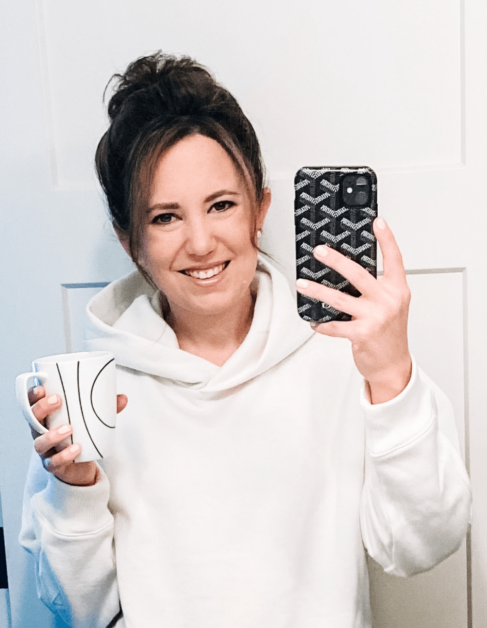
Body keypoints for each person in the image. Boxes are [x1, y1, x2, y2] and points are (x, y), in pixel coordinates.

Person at [19, 52, 471, 628]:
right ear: (129, 239)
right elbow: (78, 612)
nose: (202, 241)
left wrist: (392, 377)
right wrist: (76, 489)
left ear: (260, 209)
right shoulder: (89, 392)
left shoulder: (344, 354)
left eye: (222, 205)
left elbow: (422, 545)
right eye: (165, 217)